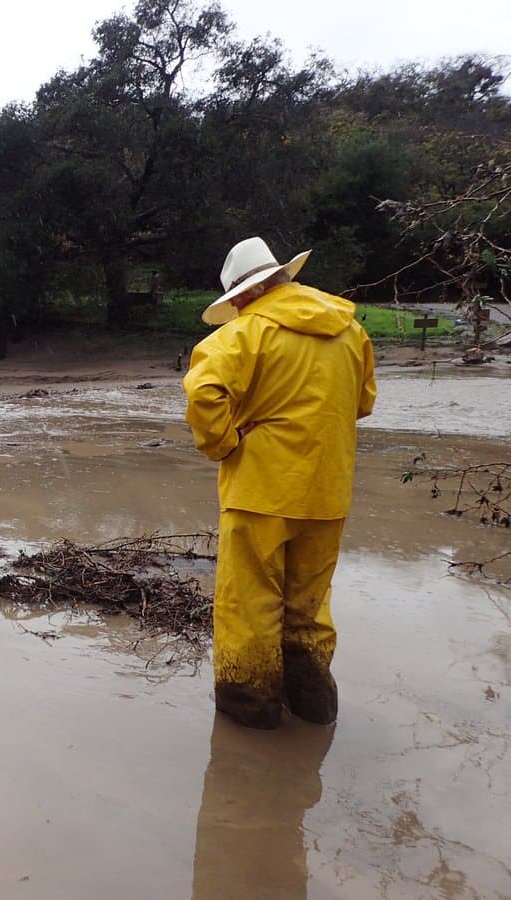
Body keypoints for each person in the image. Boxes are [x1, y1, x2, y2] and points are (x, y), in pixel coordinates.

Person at [183, 237, 377, 730]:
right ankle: (314, 710)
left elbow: (204, 393)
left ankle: (251, 715)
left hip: (260, 493)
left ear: (242, 295)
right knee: (308, 608)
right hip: (328, 492)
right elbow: (362, 403)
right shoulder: (351, 331)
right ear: (282, 278)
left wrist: (225, 446)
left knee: (249, 605)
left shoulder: (239, 337)